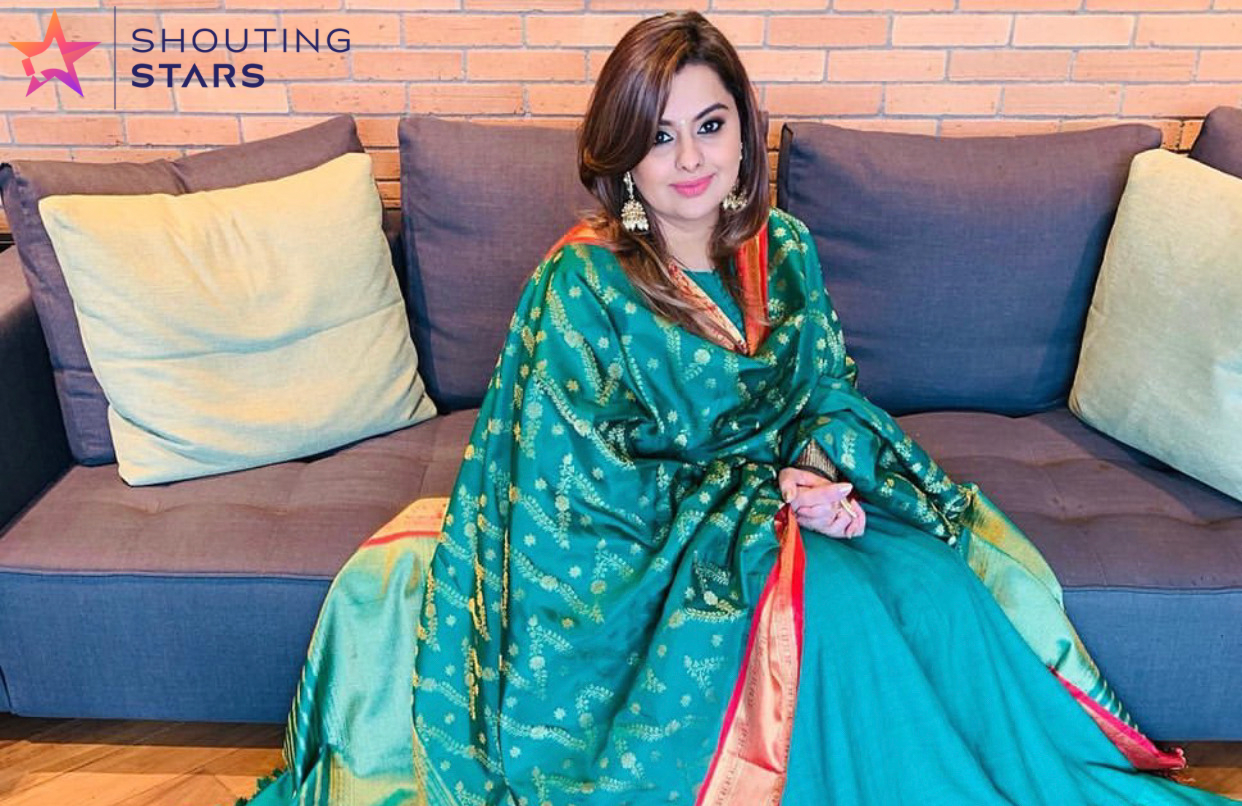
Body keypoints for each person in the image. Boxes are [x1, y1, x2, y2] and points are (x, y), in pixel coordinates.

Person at [247, 12, 1239, 806]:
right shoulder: (580, 284)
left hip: (792, 512)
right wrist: (760, 505)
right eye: (659, 134)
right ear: (622, 155)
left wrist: (825, 472)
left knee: (935, 586)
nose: (689, 159)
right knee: (838, 620)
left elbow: (827, 391)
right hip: (665, 555)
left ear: (743, 131)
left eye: (710, 125)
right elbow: (578, 490)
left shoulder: (786, 249)